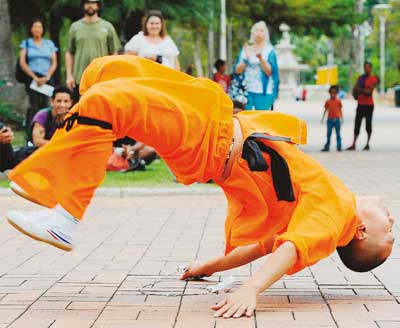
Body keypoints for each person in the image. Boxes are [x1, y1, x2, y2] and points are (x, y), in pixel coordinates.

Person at [5, 56, 394, 319]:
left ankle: (63, 213)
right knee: (102, 73)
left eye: (388, 231)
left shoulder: (337, 212)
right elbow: (261, 246)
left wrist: (253, 289)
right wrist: (211, 266)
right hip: (215, 116)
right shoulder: (324, 202)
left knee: (110, 100)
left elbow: (290, 250)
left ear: (361, 230)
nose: (392, 219)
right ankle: (59, 175)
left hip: (209, 139)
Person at [65, 0, 121, 103]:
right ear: (83, 5)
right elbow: (69, 52)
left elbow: (113, 53)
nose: (90, 5)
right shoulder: (75, 27)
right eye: (87, 3)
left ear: (98, 5)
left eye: (93, 2)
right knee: (80, 109)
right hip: (80, 77)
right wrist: (69, 75)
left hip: (101, 77)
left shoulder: (107, 27)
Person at [19, 18, 58, 128]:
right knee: (34, 104)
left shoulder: (49, 44)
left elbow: (54, 63)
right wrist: (34, 77)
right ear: (31, 29)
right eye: (35, 27)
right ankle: (33, 129)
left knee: (48, 103)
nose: (37, 29)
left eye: (39, 27)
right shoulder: (26, 43)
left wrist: (47, 77)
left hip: (47, 77)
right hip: (32, 78)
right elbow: (22, 62)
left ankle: (49, 128)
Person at [234, 21, 279, 110]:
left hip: (264, 91)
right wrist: (246, 59)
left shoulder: (269, 51)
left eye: (261, 31)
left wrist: (260, 58)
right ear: (252, 33)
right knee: (245, 119)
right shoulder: (245, 49)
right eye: (256, 30)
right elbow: (237, 71)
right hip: (245, 91)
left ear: (265, 34)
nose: (258, 33)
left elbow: (270, 72)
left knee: (262, 119)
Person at [347, 61, 379, 151]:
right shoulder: (360, 78)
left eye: (368, 67)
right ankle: (353, 144)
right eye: (365, 67)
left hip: (369, 105)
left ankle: (367, 143)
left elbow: (369, 92)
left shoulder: (373, 79)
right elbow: (355, 90)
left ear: (371, 68)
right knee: (357, 124)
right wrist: (360, 90)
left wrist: (359, 90)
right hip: (360, 104)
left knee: (368, 125)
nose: (366, 69)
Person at [321, 85, 343, 152]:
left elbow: (340, 110)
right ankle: (327, 146)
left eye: (335, 93)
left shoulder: (338, 101)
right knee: (328, 134)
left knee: (338, 134)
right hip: (330, 120)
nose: (333, 94)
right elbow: (325, 110)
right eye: (332, 92)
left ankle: (339, 146)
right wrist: (323, 118)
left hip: (337, 119)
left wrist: (342, 118)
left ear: (337, 93)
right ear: (330, 93)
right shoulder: (328, 101)